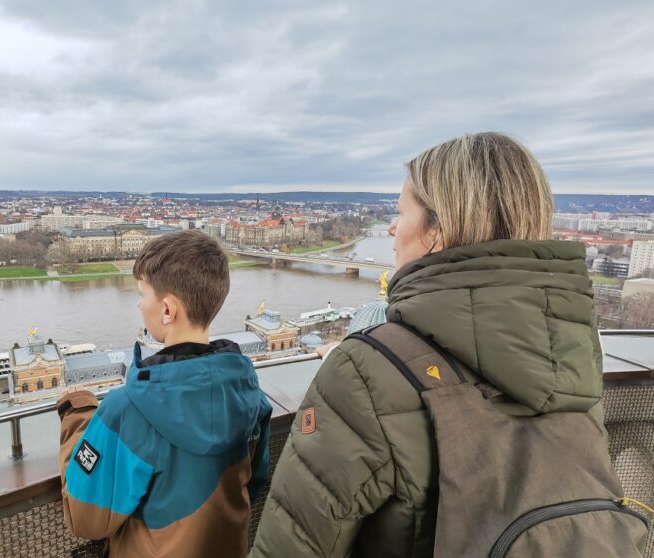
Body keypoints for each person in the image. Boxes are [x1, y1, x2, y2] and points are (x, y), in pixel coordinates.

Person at [252, 132, 620, 556]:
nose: (391, 229)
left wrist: (352, 371)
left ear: (438, 231)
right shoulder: (575, 351)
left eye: (400, 213)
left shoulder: (366, 372)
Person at [57, 230, 272, 557]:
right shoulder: (250, 394)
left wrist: (76, 414)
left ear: (168, 310)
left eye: (142, 294)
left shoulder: (126, 411)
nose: (139, 304)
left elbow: (85, 517)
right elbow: (254, 483)